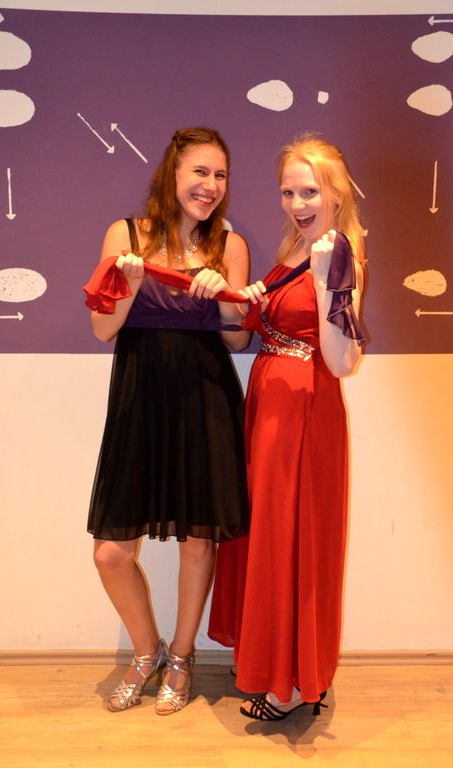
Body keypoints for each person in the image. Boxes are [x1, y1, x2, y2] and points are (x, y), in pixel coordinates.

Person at [85, 127, 251, 716]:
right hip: (140, 399)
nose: (210, 185)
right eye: (200, 172)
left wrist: (224, 294)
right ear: (172, 173)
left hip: (204, 398)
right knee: (111, 552)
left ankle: (180, 657)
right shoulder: (125, 235)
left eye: (220, 175)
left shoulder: (229, 244)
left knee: (197, 542)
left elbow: (237, 339)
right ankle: (145, 651)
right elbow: (104, 328)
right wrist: (130, 286)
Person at [208, 133, 366, 721]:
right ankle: (275, 664)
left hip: (304, 411)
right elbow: (247, 331)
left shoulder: (340, 256)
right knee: (271, 534)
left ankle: (293, 682)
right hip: (269, 406)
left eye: (310, 191)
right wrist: (226, 295)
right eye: (288, 191)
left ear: (336, 193)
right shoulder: (294, 248)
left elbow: (342, 362)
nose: (298, 203)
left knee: (295, 537)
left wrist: (326, 284)